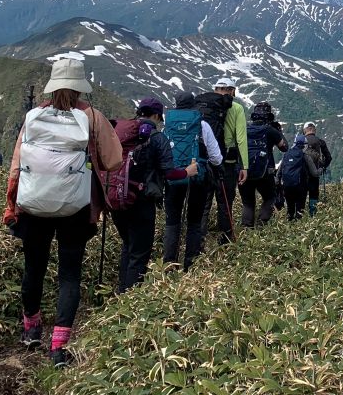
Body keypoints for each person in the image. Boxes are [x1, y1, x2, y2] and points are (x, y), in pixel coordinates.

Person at [3, 57, 122, 368]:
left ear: (52, 86)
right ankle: (58, 347)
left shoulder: (34, 116)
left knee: (34, 268)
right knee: (69, 275)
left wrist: (12, 204)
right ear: (80, 87)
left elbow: (17, 165)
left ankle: (31, 330)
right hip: (75, 208)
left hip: (33, 206)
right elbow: (113, 161)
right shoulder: (92, 117)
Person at [106, 98, 198, 293]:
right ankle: (131, 299)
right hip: (142, 201)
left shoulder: (120, 133)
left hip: (115, 198)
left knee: (128, 245)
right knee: (139, 253)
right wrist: (187, 172)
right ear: (156, 115)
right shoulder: (157, 138)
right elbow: (169, 172)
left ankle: (121, 292)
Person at [161, 92, 222, 270]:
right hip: (197, 177)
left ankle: (169, 265)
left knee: (172, 221)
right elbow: (216, 157)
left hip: (174, 176)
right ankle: (191, 264)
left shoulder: (168, 124)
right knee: (194, 221)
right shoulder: (202, 124)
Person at [199, 77, 248, 241]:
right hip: (227, 162)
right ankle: (225, 240)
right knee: (225, 202)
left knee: (204, 203)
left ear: (215, 90)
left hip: (204, 161)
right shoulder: (236, 108)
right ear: (232, 91)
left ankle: (199, 240)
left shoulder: (203, 106)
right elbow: (240, 139)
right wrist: (244, 166)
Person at [239, 101, 286, 227]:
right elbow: (284, 147)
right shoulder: (270, 130)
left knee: (248, 203)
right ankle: (261, 224)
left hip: (245, 171)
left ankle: (246, 229)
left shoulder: (244, 128)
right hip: (265, 172)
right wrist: (278, 131)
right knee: (269, 198)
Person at [278, 133, 321, 220]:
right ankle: (298, 227)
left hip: (287, 187)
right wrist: (321, 169)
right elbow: (314, 173)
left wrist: (278, 181)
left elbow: (279, 171)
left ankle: (289, 227)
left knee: (290, 210)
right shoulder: (305, 156)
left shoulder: (286, 155)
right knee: (299, 210)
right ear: (304, 145)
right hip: (301, 187)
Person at [302, 122, 332, 217]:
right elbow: (329, 157)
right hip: (315, 173)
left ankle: (299, 215)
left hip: (302, 173)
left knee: (302, 194)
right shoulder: (320, 142)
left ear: (305, 130)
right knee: (314, 194)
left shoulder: (300, 141)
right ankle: (313, 215)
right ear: (314, 129)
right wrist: (322, 167)